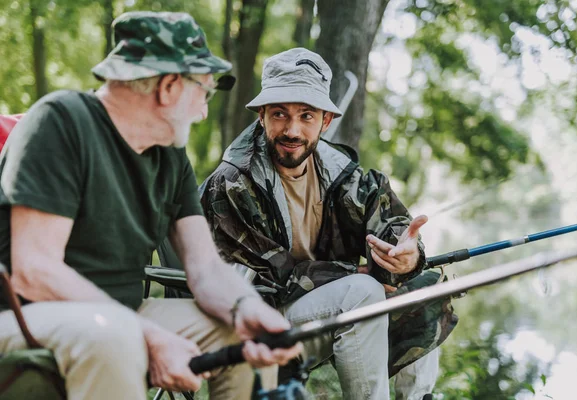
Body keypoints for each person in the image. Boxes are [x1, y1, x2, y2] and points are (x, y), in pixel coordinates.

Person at [0, 12, 301, 400]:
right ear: (170, 87)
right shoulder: (60, 122)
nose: (204, 111)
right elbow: (33, 271)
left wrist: (246, 308)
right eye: (204, 92)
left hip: (119, 315)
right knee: (113, 335)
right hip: (22, 315)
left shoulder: (170, 157)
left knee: (233, 332)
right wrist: (149, 335)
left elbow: (205, 268)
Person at [199, 48, 457, 400]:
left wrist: (406, 255)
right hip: (256, 319)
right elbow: (272, 276)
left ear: (325, 121)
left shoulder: (342, 173)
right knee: (363, 293)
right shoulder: (232, 182)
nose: (292, 129)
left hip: (316, 311)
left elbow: (392, 221)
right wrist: (356, 275)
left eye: (306, 116)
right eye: (279, 114)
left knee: (424, 286)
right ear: (261, 116)